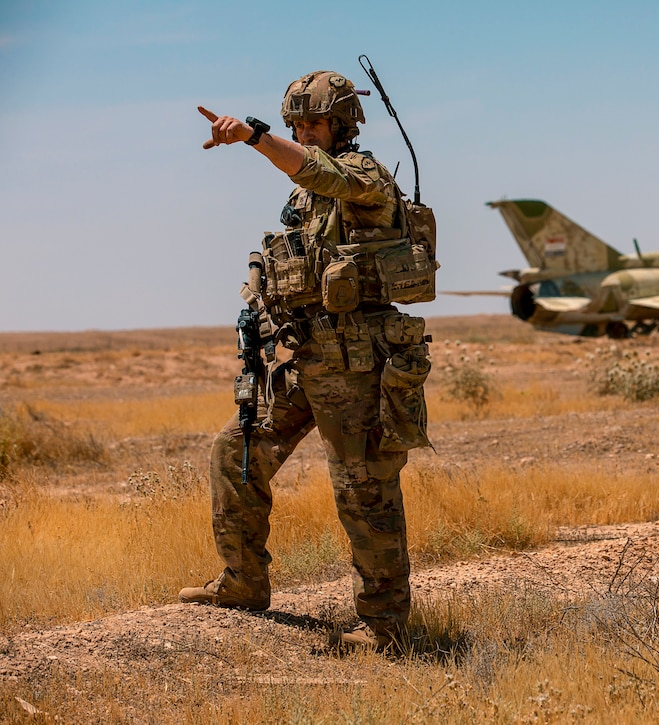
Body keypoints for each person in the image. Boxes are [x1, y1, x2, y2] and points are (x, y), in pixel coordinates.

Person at [179, 70, 433, 652]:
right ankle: (243, 583)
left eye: (312, 122)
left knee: (362, 488)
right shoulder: (306, 196)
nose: (302, 132)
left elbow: (314, 168)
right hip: (308, 357)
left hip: (360, 362)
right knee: (235, 451)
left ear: (342, 124)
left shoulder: (363, 176)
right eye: (295, 124)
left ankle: (384, 625)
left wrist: (255, 137)